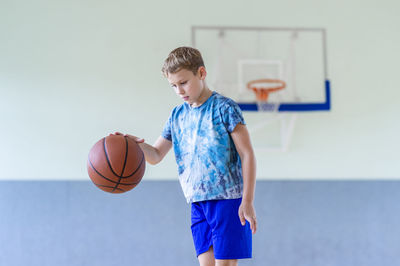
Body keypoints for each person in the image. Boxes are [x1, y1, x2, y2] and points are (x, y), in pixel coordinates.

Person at [113, 46, 257, 266]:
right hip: (197, 203)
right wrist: (132, 144)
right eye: (173, 85)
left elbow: (247, 154)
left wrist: (247, 200)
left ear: (201, 73)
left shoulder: (224, 108)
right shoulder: (177, 115)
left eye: (183, 82)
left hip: (227, 201)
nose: (179, 90)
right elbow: (156, 155)